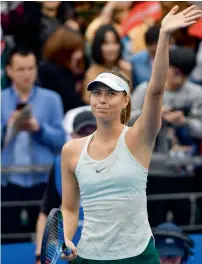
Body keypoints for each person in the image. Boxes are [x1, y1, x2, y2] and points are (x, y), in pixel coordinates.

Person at [61, 5, 202, 264]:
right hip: (89, 257)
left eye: (111, 94)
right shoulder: (71, 150)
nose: (102, 100)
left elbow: (156, 91)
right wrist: (67, 238)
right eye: (97, 93)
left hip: (138, 256)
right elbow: (69, 208)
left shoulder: (138, 138)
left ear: (126, 101)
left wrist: (164, 36)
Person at [1, 47, 65, 243]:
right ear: (9, 71)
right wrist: (8, 128)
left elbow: (61, 141)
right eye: (20, 69)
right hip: (8, 178)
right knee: (9, 238)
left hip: (41, 178)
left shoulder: (51, 99)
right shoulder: (1, 100)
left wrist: (39, 129)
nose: (26, 74)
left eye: (30, 68)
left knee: (43, 238)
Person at [35, 109, 97, 263]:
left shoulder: (115, 164)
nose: (87, 139)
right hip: (70, 252)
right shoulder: (59, 165)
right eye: (82, 133)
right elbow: (45, 213)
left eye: (92, 133)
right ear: (72, 136)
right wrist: (38, 255)